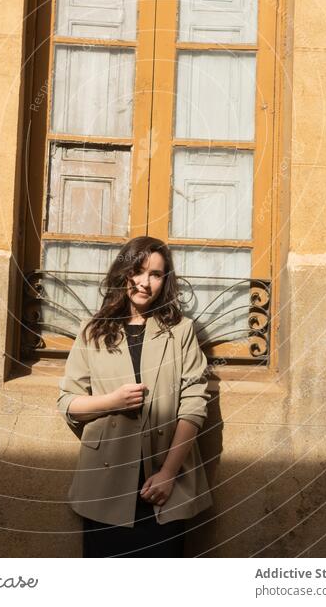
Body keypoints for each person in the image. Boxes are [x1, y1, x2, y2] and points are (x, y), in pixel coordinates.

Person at [56, 235, 213, 557]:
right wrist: (111, 402)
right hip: (106, 481)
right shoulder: (92, 331)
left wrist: (169, 473)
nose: (145, 283)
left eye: (155, 274)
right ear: (123, 274)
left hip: (162, 483)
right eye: (138, 271)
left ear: (165, 281)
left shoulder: (181, 330)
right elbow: (68, 402)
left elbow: (194, 403)